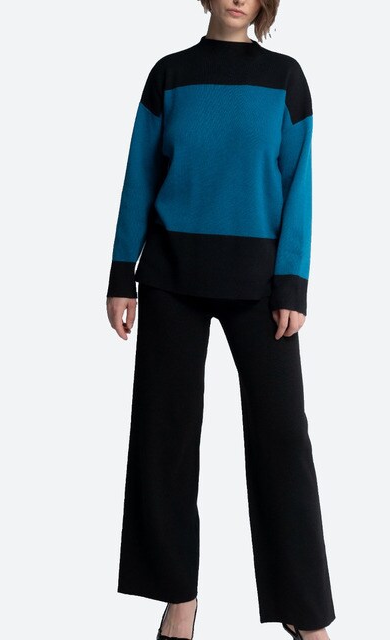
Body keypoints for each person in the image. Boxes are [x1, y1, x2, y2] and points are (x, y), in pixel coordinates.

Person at [105, 1, 336, 638]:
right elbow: (139, 175)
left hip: (260, 285)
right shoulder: (169, 74)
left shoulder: (286, 77)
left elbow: (299, 183)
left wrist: (292, 283)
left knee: (282, 439)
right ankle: (177, 597)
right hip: (170, 276)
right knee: (164, 438)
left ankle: (305, 613)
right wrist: (121, 272)